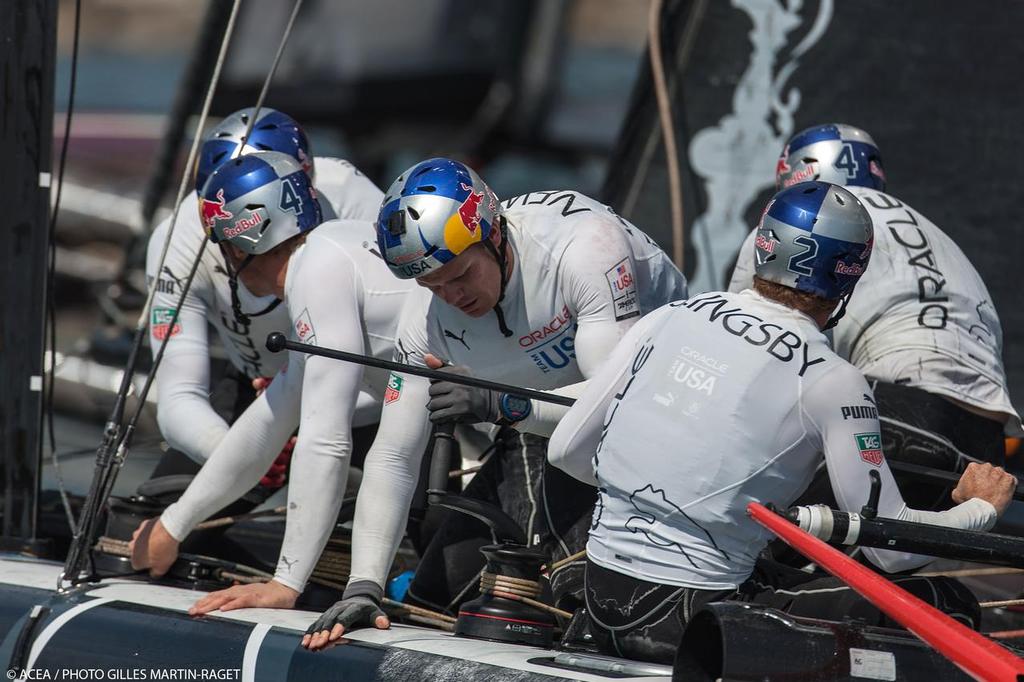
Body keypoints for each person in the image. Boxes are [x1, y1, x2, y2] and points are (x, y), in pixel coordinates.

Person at [546, 181, 1018, 664]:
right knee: (946, 606)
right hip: (691, 624)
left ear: (763, 246)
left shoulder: (670, 317)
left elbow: (564, 451)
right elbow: (892, 549)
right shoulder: (832, 379)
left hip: (598, 600)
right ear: (847, 278)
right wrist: (979, 508)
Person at [302, 157, 689, 650]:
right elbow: (396, 453)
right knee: (428, 602)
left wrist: (497, 403)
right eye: (431, 284)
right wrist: (363, 585)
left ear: (495, 234)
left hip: (659, 418)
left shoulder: (583, 249)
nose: (451, 295)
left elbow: (618, 405)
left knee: (579, 609)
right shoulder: (426, 318)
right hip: (533, 423)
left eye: (459, 274)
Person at [129, 151, 414, 614]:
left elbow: (325, 443)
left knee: (455, 577)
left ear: (237, 249)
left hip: (512, 425)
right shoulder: (330, 253)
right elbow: (268, 421)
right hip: (486, 410)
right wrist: (172, 527)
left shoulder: (316, 274)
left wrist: (285, 584)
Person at [729, 123, 1022, 510]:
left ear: (796, 174)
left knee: (751, 538)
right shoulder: (932, 230)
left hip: (895, 412)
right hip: (985, 451)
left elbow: (740, 342)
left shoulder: (803, 223)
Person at [145, 107, 383, 487]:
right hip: (258, 393)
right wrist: (237, 452)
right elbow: (177, 399)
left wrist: (295, 410)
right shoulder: (178, 242)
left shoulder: (354, 202)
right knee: (147, 524)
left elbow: (411, 355)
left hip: (366, 396)